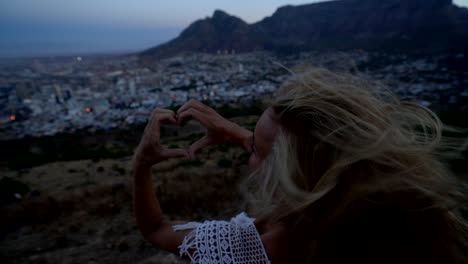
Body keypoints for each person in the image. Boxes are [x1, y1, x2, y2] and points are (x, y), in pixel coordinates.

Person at [133, 68, 468, 263]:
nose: (249, 159)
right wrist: (247, 138)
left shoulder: (255, 249)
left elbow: (156, 228)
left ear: (295, 179)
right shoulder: (404, 234)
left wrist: (141, 164)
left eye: (258, 152)